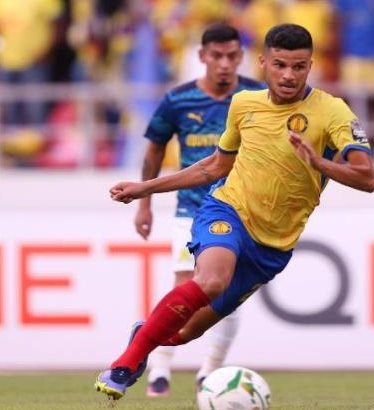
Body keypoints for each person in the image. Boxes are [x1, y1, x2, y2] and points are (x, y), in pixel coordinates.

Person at [94, 23, 374, 401]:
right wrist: (145, 189)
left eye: (298, 66)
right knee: (212, 280)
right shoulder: (244, 105)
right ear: (263, 63)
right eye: (279, 65)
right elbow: (214, 167)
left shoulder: (334, 112)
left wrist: (319, 163)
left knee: (186, 332)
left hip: (273, 245)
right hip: (227, 210)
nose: (288, 75)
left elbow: (367, 178)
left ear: (310, 66)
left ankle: (143, 335)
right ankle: (125, 364)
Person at [135, 23, 265, 397]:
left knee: (229, 294)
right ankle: (160, 368)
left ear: (241, 57)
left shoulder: (256, 97)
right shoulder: (178, 100)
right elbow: (154, 150)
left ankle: (210, 371)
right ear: (202, 56)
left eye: (231, 56)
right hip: (191, 208)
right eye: (217, 56)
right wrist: (145, 205)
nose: (224, 64)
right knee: (185, 287)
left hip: (240, 209)